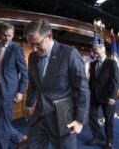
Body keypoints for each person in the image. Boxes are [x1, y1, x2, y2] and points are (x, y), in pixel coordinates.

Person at [24, 19, 90, 149]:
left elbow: (83, 89)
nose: (34, 49)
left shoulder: (69, 54)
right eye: (31, 45)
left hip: (63, 119)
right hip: (39, 117)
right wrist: (28, 104)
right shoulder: (32, 57)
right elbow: (33, 83)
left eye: (37, 44)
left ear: (49, 36)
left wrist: (80, 120)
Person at [88, 44, 119, 149]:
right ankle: (97, 135)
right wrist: (89, 91)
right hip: (94, 95)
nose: (95, 55)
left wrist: (112, 96)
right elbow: (92, 80)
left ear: (104, 51)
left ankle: (109, 140)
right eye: (94, 53)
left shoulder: (112, 63)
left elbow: (116, 81)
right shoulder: (93, 64)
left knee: (108, 120)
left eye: (97, 52)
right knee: (91, 115)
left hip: (108, 97)